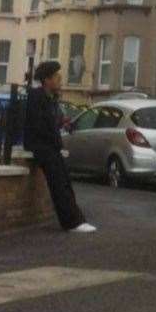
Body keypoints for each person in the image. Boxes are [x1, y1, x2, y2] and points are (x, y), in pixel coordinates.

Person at [24, 61, 96, 233]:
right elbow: (40, 126)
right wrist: (56, 143)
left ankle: (77, 219)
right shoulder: (37, 98)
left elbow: (53, 124)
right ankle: (71, 222)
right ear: (47, 80)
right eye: (57, 77)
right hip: (40, 146)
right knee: (57, 182)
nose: (60, 80)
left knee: (65, 180)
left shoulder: (51, 99)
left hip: (50, 146)